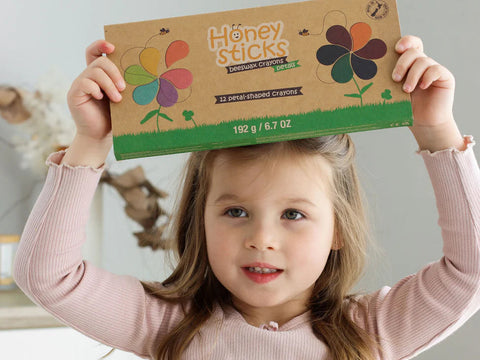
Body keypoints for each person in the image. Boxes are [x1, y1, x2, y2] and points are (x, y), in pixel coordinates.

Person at [13, 34, 479, 360]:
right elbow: (46, 274)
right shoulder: (166, 327)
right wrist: (91, 141)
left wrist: (436, 129)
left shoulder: (371, 332)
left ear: (337, 227)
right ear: (201, 220)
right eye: (235, 211)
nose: (261, 238)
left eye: (293, 214)